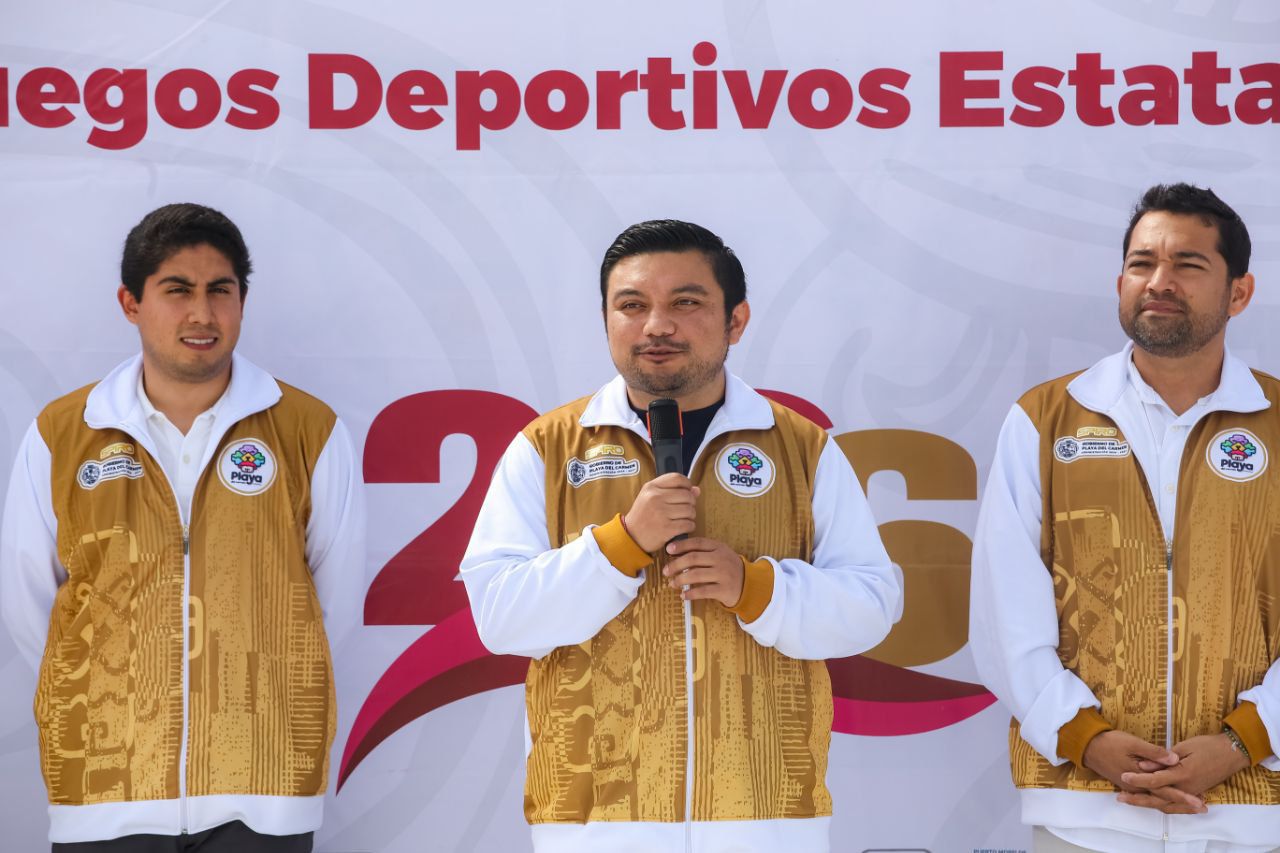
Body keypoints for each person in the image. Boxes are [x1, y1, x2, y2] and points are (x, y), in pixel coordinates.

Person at [461, 219, 902, 852]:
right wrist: (620, 545)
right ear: (606, 320)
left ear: (736, 321)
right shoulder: (548, 447)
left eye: (685, 303)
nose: (656, 325)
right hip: (593, 819)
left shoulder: (802, 448)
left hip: (768, 817)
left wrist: (755, 588)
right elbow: (500, 618)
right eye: (631, 305)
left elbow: (872, 606)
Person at [0, 203, 365, 851]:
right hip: (104, 789)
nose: (202, 313)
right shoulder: (64, 433)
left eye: (220, 290)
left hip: (264, 787)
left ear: (242, 302)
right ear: (131, 303)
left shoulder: (309, 430)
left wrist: (268, 684)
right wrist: (101, 687)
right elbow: (34, 606)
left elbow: (330, 604)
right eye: (177, 290)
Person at [970, 183, 1280, 852]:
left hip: (1255, 810)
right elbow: (1004, 611)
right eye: (1142, 263)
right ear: (1120, 283)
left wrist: (1246, 740)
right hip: (1084, 808)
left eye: (1187, 264)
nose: (1159, 281)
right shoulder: (1045, 418)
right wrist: (1087, 738)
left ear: (1239, 293)